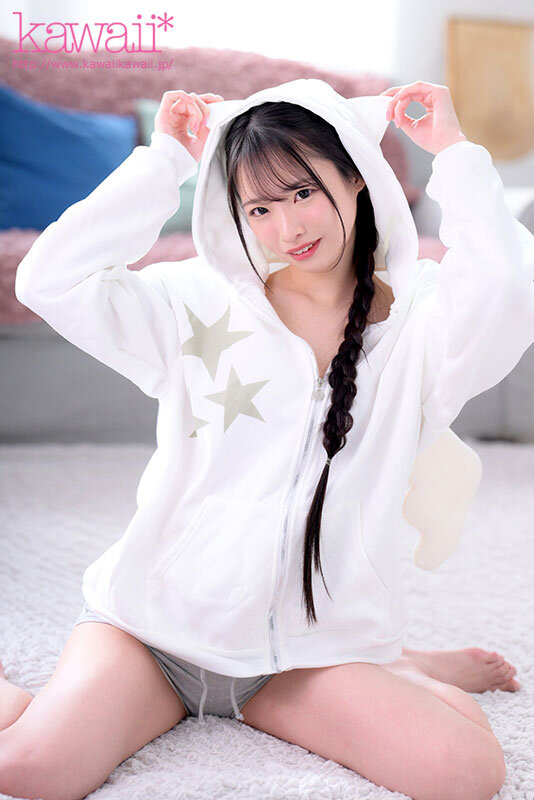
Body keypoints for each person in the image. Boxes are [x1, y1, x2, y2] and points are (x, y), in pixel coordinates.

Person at [2, 77, 532, 800]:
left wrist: (455, 151)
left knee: (467, 774)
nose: (287, 228)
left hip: (303, 660)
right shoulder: (195, 302)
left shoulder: (420, 325)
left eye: (302, 192)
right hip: (153, 635)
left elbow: (508, 288)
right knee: (29, 770)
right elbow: (46, 279)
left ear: (355, 175)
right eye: (259, 207)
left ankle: (396, 663)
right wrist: (164, 162)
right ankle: (400, 667)